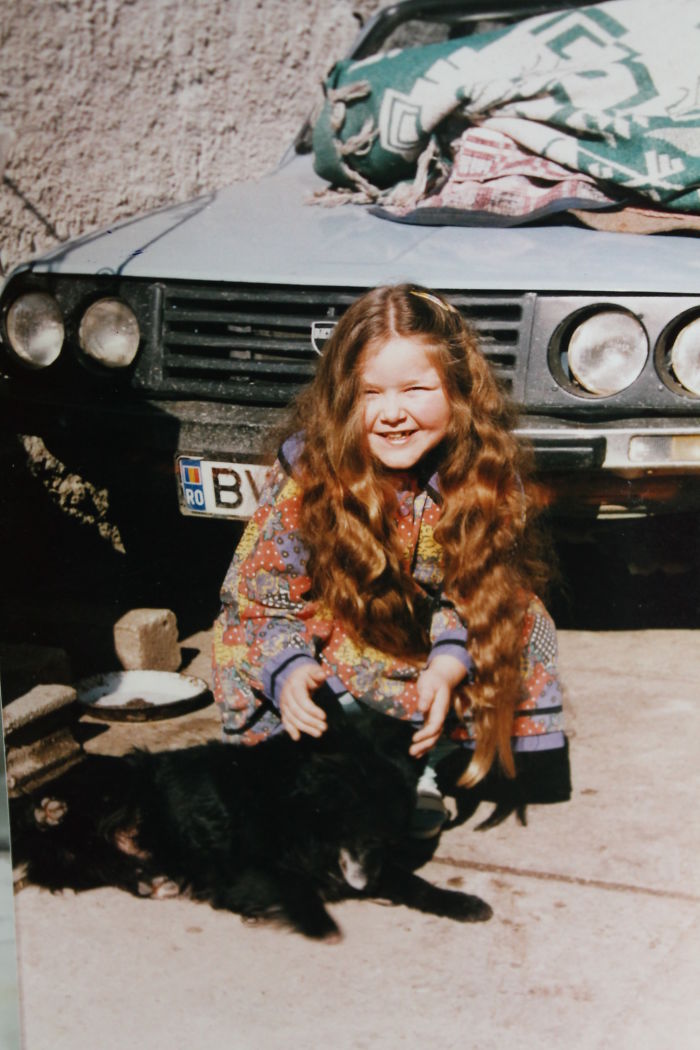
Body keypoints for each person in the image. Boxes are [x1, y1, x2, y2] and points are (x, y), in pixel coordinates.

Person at [212, 284, 570, 835]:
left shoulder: (485, 476)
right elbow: (262, 594)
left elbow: (477, 592)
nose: (391, 414)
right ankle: (314, 763)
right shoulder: (309, 472)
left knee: (523, 621)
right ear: (340, 398)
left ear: (458, 391)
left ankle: (426, 763)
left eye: (416, 389)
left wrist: (449, 667)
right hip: (340, 633)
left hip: (427, 642)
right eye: (369, 393)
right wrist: (290, 671)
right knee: (238, 642)